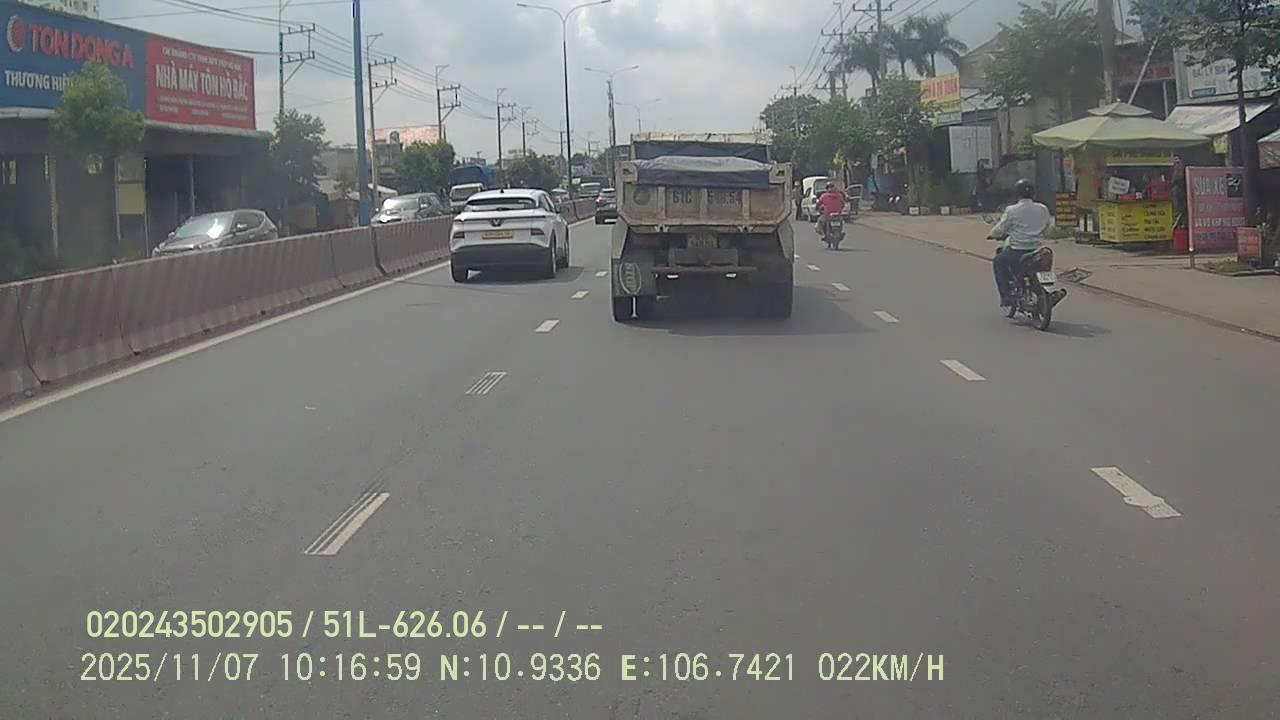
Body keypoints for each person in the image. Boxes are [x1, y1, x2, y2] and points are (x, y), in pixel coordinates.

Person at [990, 178, 1052, 307]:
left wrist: (993, 234)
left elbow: (1001, 228)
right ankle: (1046, 292)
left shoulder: (1012, 210)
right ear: (1033, 193)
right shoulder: (1043, 208)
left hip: (1017, 250)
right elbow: (1048, 227)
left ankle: (1006, 296)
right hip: (1037, 250)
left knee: (998, 261)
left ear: (1017, 193)